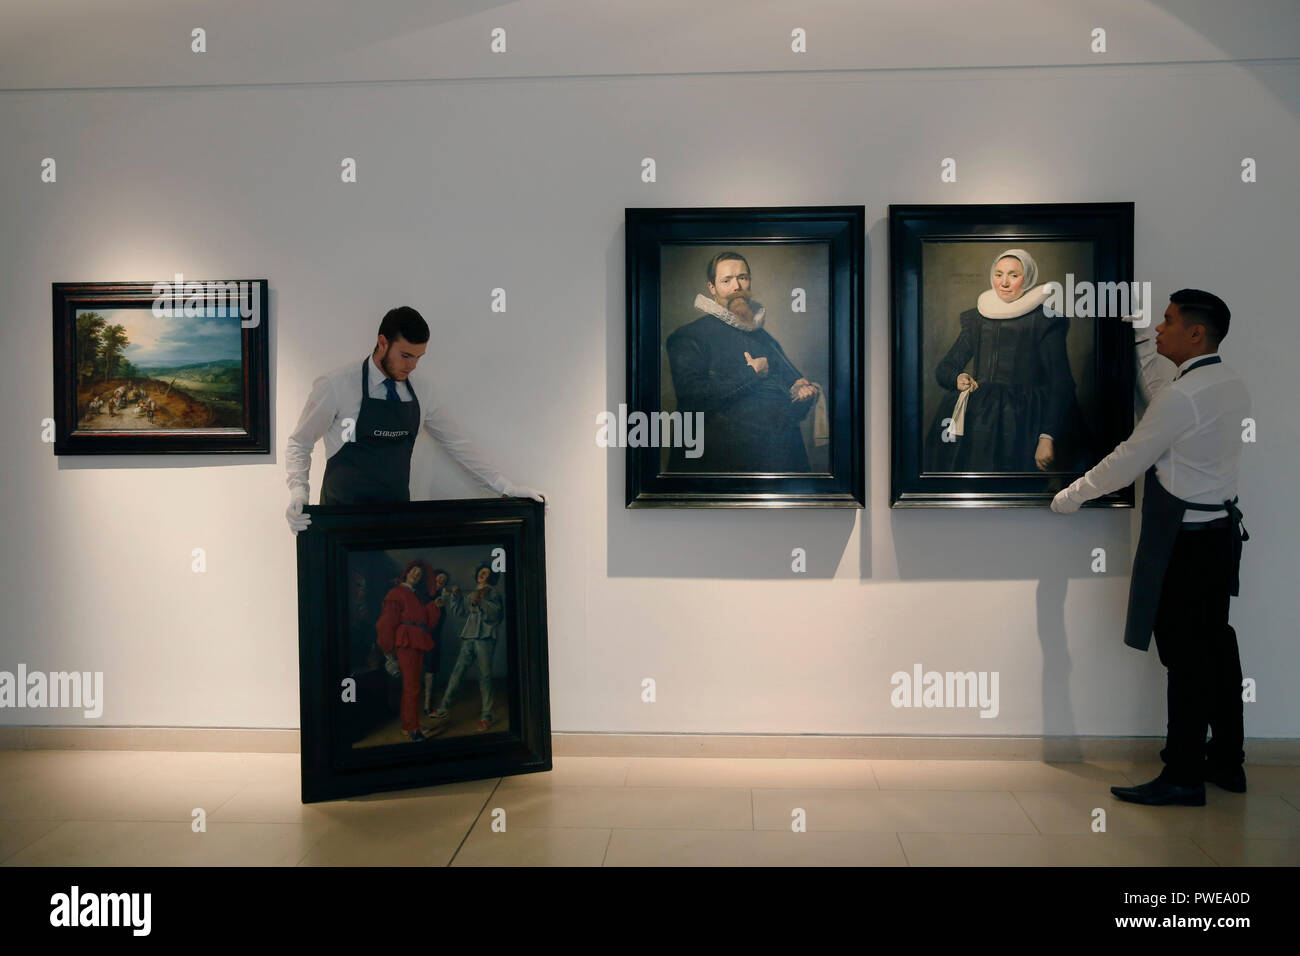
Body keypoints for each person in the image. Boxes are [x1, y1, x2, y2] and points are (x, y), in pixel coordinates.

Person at [1052, 289, 1250, 807]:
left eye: (1167, 321)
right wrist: (1142, 338)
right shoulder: (1223, 383)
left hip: (1184, 544)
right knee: (1216, 649)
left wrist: (1070, 497)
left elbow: (1131, 455)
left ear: (1195, 333)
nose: (1161, 328)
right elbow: (1164, 395)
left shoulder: (1184, 397)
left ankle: (1182, 774)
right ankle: (1228, 761)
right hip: (1218, 538)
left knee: (1185, 661)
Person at [284, 306, 545, 531]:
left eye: (418, 357)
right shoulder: (337, 385)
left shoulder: (423, 391)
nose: (412, 366)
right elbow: (300, 442)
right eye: (406, 356)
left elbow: (458, 445)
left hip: (396, 522)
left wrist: (506, 487)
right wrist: (299, 492)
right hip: (339, 522)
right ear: (383, 342)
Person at [926, 249, 1089, 473]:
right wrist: (958, 377)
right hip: (978, 418)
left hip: (1025, 419)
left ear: (1028, 278)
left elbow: (1062, 384)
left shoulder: (1045, 321)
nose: (1004, 282)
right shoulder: (976, 319)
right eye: (999, 274)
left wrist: (1046, 436)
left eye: (1013, 275)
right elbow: (945, 368)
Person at [665, 252, 825, 473]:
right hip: (722, 464)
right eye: (726, 280)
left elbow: (786, 403)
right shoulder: (689, 336)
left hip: (774, 460)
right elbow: (692, 397)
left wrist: (802, 395)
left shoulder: (762, 335)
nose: (737, 286)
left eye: (743, 277)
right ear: (712, 287)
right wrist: (751, 374)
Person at [431, 562, 503, 732]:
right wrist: (456, 597)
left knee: (484, 676)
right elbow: (460, 613)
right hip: (469, 636)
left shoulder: (493, 593)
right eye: (481, 572)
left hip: (485, 638)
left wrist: (482, 601)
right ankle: (444, 708)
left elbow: (496, 615)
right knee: (457, 672)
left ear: (490, 577)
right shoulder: (471, 593)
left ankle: (487, 715)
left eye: (485, 574)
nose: (482, 575)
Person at [375, 559, 440, 742]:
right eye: (413, 572)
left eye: (419, 574)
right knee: (411, 687)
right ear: (407, 572)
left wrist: (435, 606)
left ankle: (409, 724)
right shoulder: (396, 593)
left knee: (412, 687)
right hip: (406, 642)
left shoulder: (414, 594)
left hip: (415, 641)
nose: (416, 575)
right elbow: (387, 623)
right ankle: (412, 729)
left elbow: (423, 619)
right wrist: (388, 649)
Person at [422, 568, 451, 716]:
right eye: (440, 577)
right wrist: (433, 605)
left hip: (435, 638)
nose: (441, 580)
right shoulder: (423, 593)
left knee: (431, 670)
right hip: (420, 636)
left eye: (444, 580)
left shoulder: (444, 597)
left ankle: (427, 706)